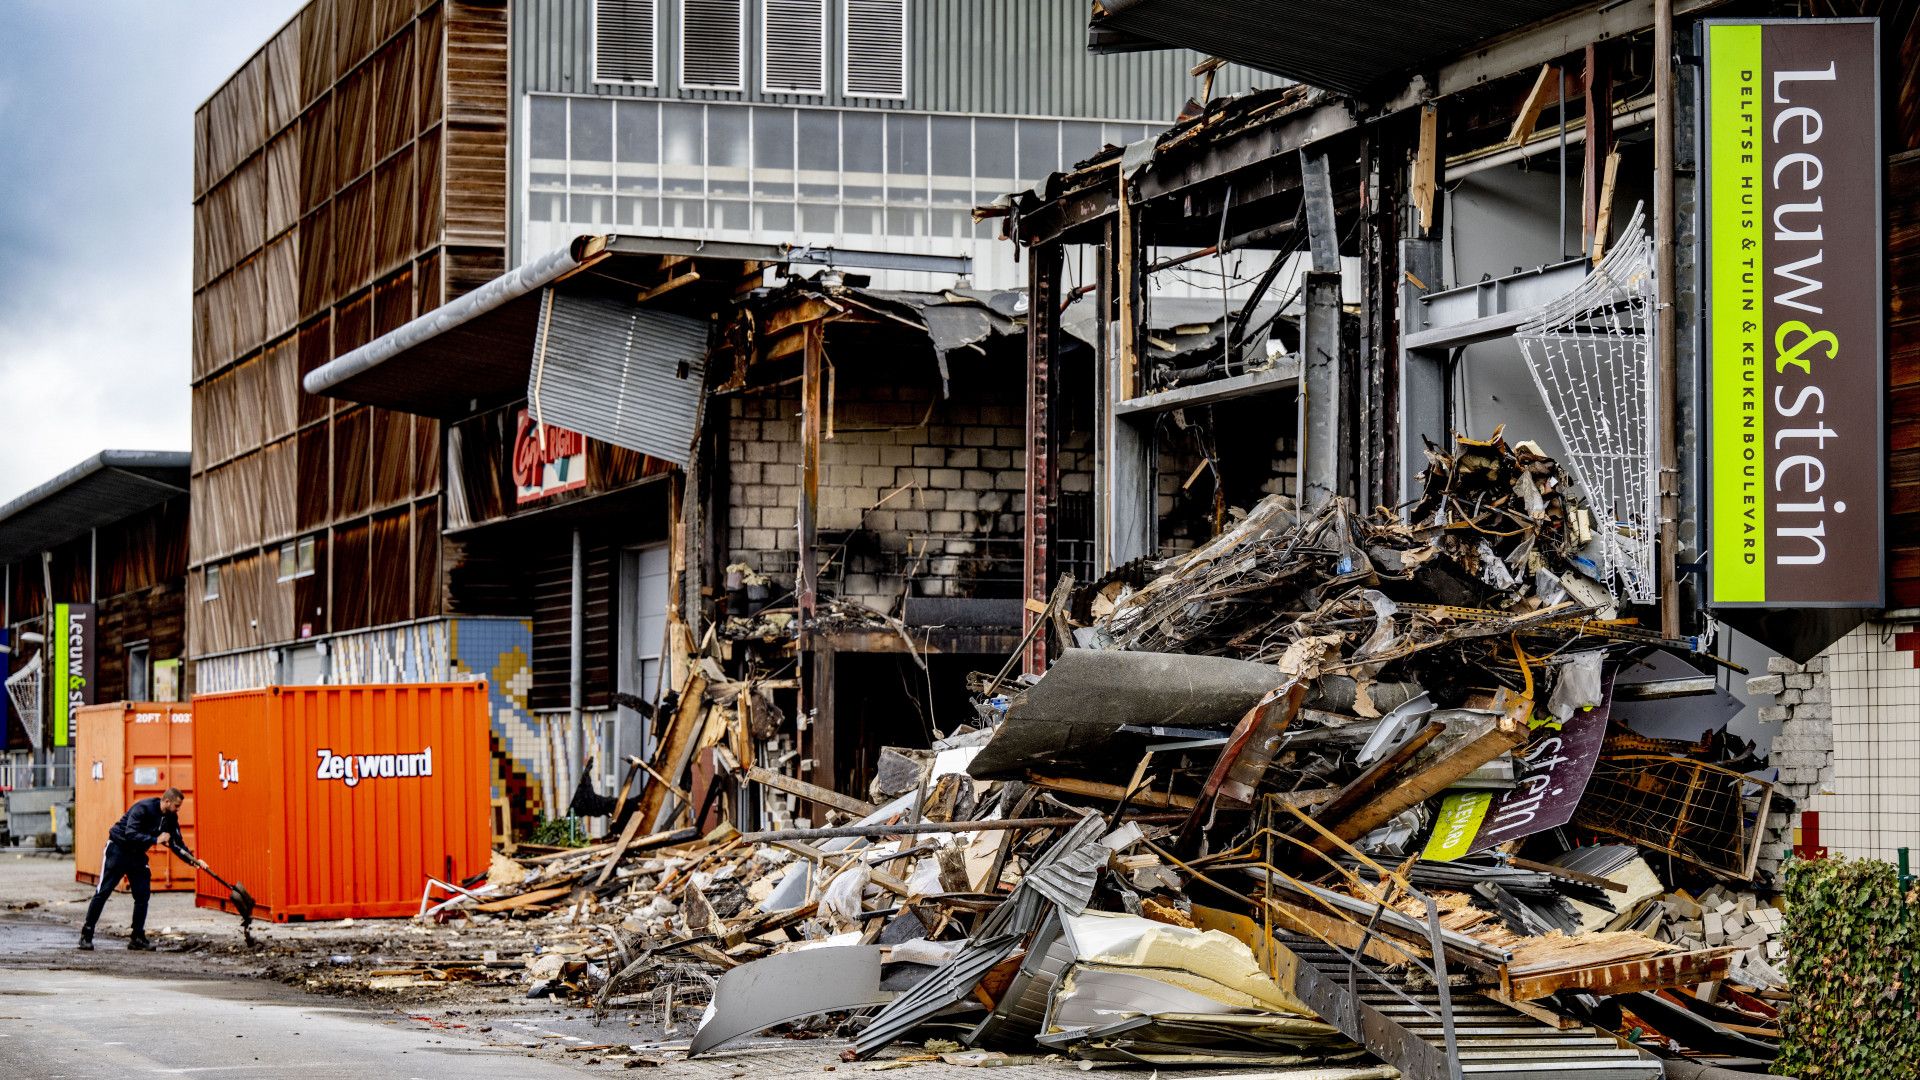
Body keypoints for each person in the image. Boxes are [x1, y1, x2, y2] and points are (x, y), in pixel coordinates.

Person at [79, 787, 205, 951]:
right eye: (176, 806)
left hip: (137, 854)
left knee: (142, 894)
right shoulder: (143, 808)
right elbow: (131, 833)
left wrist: (193, 860)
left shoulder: (171, 817)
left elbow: (176, 843)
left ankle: (137, 937)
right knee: (103, 891)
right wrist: (155, 839)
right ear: (167, 802)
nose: (177, 809)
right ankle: (86, 935)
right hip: (118, 849)